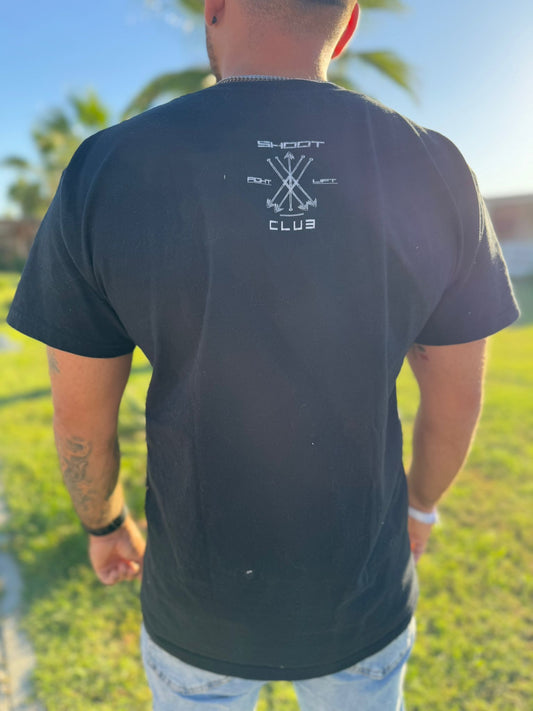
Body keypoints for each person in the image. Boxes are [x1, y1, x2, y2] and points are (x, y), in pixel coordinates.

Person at [7, 0, 520, 708]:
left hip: (196, 610)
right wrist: (421, 506)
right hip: (362, 602)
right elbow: (457, 396)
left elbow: (79, 415)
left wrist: (105, 522)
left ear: (214, 8)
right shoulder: (435, 167)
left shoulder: (108, 166)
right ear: (348, 24)